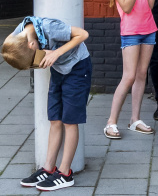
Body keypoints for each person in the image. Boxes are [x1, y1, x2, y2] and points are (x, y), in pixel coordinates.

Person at [1, 16, 92, 191]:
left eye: (34, 59)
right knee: (55, 119)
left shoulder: (50, 28)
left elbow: (83, 34)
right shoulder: (17, 36)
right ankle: (49, 169)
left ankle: (65, 173)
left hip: (78, 68)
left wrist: (56, 53)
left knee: (70, 121)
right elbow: (7, 47)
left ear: (31, 45)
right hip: (59, 70)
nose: (37, 61)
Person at [104, 0, 158, 139]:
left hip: (148, 29)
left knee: (142, 74)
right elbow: (126, 7)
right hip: (131, 32)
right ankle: (111, 122)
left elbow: (149, 7)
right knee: (129, 76)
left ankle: (135, 120)